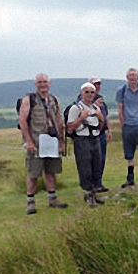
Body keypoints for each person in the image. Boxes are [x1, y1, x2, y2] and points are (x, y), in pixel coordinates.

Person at [18, 73, 67, 214]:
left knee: (51, 171)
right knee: (33, 173)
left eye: (45, 82)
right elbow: (22, 121)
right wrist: (28, 141)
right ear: (35, 84)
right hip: (36, 142)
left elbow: (59, 121)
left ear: (49, 83)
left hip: (52, 142)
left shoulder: (54, 100)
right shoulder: (28, 99)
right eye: (39, 82)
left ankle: (52, 199)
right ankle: (30, 202)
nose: (42, 84)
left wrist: (61, 141)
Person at [66, 83, 105, 207]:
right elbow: (70, 128)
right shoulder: (76, 108)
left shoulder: (96, 108)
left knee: (96, 166)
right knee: (85, 168)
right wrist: (81, 117)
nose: (89, 95)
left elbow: (100, 127)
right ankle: (88, 195)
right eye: (86, 92)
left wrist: (101, 118)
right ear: (81, 93)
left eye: (92, 92)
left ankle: (93, 194)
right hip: (82, 140)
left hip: (95, 139)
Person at [116, 68, 138, 188]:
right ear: (127, 77)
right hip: (128, 125)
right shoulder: (121, 90)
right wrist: (123, 124)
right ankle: (130, 178)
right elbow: (120, 108)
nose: (132, 78)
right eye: (130, 76)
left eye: (134, 76)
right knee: (129, 153)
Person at [86, 77, 112, 192]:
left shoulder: (102, 101)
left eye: (98, 85)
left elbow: (106, 117)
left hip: (101, 133)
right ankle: (90, 183)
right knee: (91, 159)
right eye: (94, 85)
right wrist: (94, 105)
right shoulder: (83, 99)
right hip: (90, 134)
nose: (97, 87)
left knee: (101, 158)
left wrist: (109, 130)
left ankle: (98, 182)